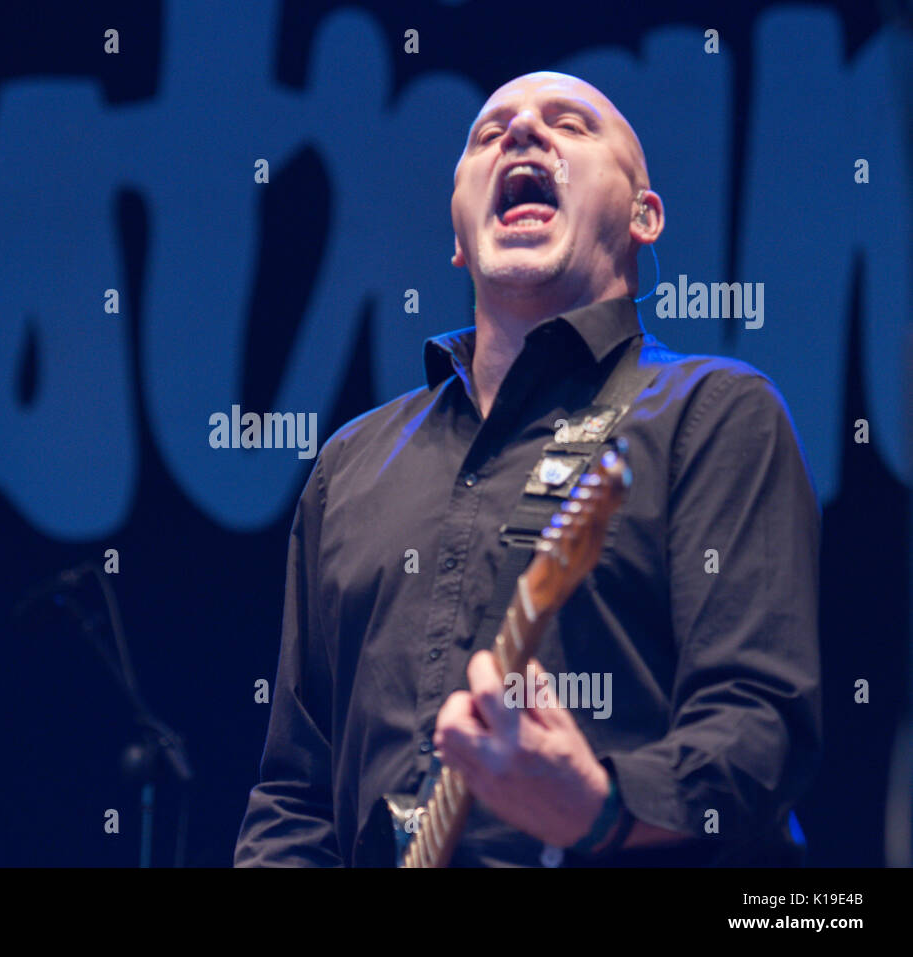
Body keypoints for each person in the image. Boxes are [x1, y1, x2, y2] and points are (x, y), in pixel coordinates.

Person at [233, 72, 822, 867]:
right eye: (488, 134)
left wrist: (603, 806)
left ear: (645, 215)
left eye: (571, 124)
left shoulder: (715, 411)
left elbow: (761, 726)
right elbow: (294, 796)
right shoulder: (349, 464)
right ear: (456, 234)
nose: (521, 134)